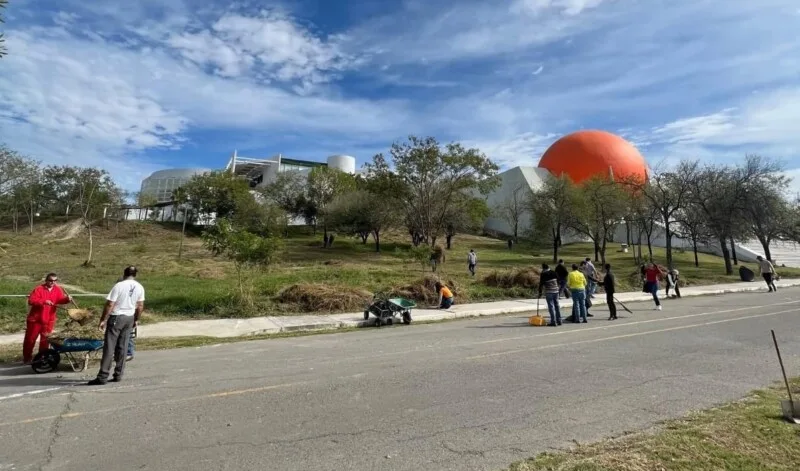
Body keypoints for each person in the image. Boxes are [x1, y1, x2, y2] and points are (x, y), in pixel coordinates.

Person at [88, 266, 145, 385]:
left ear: (124, 274)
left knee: (109, 347)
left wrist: (103, 319)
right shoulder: (139, 287)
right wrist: (136, 319)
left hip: (117, 316)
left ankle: (103, 376)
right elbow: (140, 305)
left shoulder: (119, 285)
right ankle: (118, 374)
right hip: (129, 317)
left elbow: (110, 304)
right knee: (123, 347)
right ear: (135, 275)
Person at [23, 273, 73, 364]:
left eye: (54, 280)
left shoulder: (58, 289)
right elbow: (31, 301)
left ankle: (42, 358)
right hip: (35, 320)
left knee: (45, 341)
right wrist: (43, 301)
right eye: (50, 280)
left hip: (49, 320)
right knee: (30, 339)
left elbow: (60, 300)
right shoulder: (39, 289)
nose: (52, 282)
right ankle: (27, 358)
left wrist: (67, 299)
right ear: (46, 280)